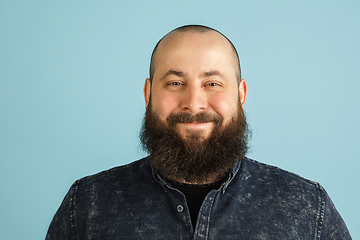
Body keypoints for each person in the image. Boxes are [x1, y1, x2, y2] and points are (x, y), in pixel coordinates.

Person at [46, 25, 352, 239]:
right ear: (148, 93)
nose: (194, 103)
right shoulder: (87, 205)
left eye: (213, 84)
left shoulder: (309, 208)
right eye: (175, 83)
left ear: (240, 95)